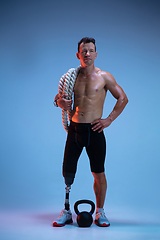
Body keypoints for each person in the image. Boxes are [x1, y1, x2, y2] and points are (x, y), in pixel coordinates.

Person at [53, 37, 128, 227]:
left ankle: (100, 212)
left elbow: (122, 98)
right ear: (78, 54)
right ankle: (67, 211)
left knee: (99, 173)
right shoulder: (71, 77)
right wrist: (59, 103)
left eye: (91, 50)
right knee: (68, 173)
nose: (87, 54)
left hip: (95, 131)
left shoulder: (104, 77)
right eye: (84, 51)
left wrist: (108, 120)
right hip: (75, 130)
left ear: (95, 54)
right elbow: (58, 98)